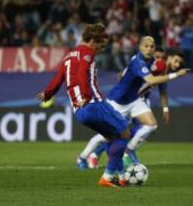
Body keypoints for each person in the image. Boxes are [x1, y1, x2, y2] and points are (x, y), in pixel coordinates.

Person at [37, 23, 130, 188]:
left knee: (111, 137)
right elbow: (81, 74)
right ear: (93, 41)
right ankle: (108, 177)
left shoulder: (69, 56)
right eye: (101, 45)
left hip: (80, 112)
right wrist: (86, 97)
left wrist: (48, 93)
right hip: (93, 104)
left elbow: (59, 77)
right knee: (124, 133)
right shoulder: (87, 53)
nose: (102, 49)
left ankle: (122, 177)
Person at [76, 37, 189, 169]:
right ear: (140, 47)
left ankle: (128, 150)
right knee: (106, 135)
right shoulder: (138, 62)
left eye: (151, 47)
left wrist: (165, 109)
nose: (149, 49)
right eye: (146, 46)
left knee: (151, 125)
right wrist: (176, 75)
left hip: (135, 100)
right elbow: (151, 80)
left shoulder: (153, 61)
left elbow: (160, 88)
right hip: (117, 101)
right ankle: (83, 157)